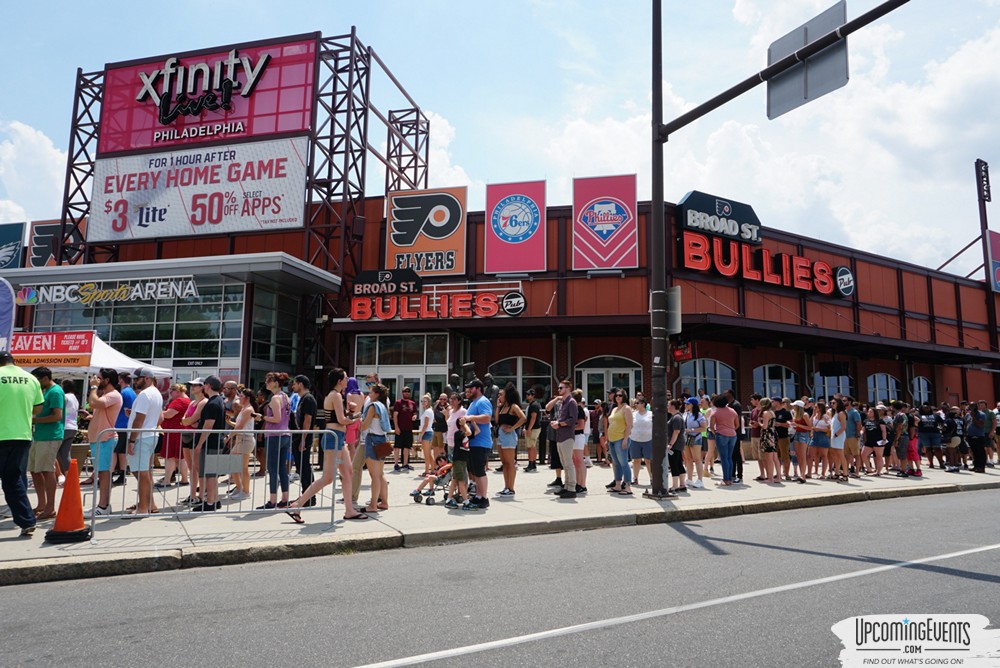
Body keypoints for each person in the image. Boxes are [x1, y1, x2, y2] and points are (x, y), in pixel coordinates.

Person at [287, 368, 368, 522]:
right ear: (339, 381)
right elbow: (342, 420)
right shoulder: (335, 395)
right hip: (333, 438)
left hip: (338, 437)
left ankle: (349, 509)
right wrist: (356, 416)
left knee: (348, 473)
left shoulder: (337, 396)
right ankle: (297, 505)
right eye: (345, 378)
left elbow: (341, 418)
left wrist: (351, 412)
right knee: (328, 477)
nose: (347, 380)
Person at [0, 350, 44, 536]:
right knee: (14, 479)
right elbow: (38, 408)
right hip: (22, 436)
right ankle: (26, 520)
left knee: (12, 479)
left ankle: (26, 520)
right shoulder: (30, 378)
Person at [124, 367, 164, 516]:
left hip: (142, 437)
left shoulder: (145, 395)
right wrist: (132, 415)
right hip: (149, 435)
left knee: (141, 474)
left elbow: (139, 420)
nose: (135, 382)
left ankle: (143, 508)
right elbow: (156, 418)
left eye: (137, 378)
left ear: (147, 378)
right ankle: (149, 504)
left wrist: (131, 440)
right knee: (144, 473)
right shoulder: (156, 393)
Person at [85, 368, 123, 517]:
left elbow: (94, 401)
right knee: (101, 472)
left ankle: (103, 506)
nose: (96, 380)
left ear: (107, 380)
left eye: (99, 378)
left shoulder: (114, 395)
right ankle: (103, 505)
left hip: (105, 439)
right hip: (99, 439)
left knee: (104, 473)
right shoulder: (107, 395)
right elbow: (92, 404)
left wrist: (93, 387)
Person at [29, 367, 65, 520]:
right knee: (35, 470)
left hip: (50, 436)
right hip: (40, 436)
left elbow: (57, 416)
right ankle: (42, 505)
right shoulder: (45, 391)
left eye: (37, 379)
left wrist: (34, 420)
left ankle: (50, 508)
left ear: (44, 378)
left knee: (46, 471)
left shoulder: (55, 391)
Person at [191, 376, 226, 512]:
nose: (203, 387)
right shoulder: (218, 401)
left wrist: (199, 444)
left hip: (211, 443)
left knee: (210, 475)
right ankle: (215, 500)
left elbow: (208, 426)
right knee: (211, 474)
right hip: (214, 442)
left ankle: (210, 503)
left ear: (209, 385)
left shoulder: (212, 403)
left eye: (204, 384)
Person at [258, 372, 292, 509]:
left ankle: (272, 500)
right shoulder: (286, 397)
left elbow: (276, 418)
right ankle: (284, 498)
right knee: (282, 469)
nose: (266, 383)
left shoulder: (275, 398)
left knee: (272, 468)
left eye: (269, 380)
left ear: (276, 383)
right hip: (285, 434)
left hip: (274, 434)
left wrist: (262, 417)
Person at [462, 379, 495, 508]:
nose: (469, 390)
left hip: (481, 443)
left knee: (480, 471)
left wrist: (470, 418)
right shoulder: (473, 403)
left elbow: (487, 417)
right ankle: (478, 496)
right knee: (475, 471)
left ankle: (483, 498)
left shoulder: (483, 401)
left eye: (471, 388)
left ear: (478, 388)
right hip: (473, 442)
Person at [361, 383, 392, 514]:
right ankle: (384, 502)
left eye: (371, 392)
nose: (369, 395)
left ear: (377, 394)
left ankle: (373, 504)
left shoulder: (373, 406)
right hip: (382, 440)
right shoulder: (383, 406)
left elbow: (364, 426)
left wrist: (354, 420)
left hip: (372, 440)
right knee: (380, 475)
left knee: (374, 476)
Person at [157, 384, 191, 489]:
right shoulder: (187, 400)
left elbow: (168, 414)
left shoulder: (180, 401)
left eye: (171, 391)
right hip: (179, 431)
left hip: (174, 432)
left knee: (170, 456)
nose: (170, 393)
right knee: (181, 457)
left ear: (177, 391)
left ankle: (167, 480)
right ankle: (184, 479)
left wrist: (156, 411)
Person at [225, 388, 257, 500]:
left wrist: (228, 437)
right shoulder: (244, 409)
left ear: (247, 398)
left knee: (243, 468)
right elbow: (239, 425)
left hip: (246, 439)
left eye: (241, 396)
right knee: (233, 464)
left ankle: (246, 491)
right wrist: (230, 422)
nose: (239, 398)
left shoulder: (248, 409)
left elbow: (240, 426)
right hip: (240, 439)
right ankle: (239, 488)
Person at [495, 384, 526, 496]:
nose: (499, 396)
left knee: (510, 462)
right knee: (504, 463)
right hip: (501, 435)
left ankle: (511, 488)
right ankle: (506, 486)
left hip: (509, 436)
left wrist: (512, 428)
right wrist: (498, 407)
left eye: (501, 394)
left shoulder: (514, 406)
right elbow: (497, 420)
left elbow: (523, 418)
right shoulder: (503, 407)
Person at [179, 379, 206, 504]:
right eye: (192, 385)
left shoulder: (203, 402)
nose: (193, 387)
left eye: (196, 385)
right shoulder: (192, 402)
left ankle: (201, 495)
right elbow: (184, 419)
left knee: (197, 467)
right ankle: (192, 494)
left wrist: (187, 421)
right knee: (191, 467)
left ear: (202, 387)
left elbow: (191, 419)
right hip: (187, 434)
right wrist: (187, 421)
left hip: (195, 436)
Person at [550, 379, 578, 499]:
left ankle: (572, 488)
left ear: (568, 388)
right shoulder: (563, 402)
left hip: (567, 437)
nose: (559, 390)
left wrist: (559, 424)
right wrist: (557, 423)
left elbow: (573, 420)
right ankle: (566, 486)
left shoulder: (571, 402)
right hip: (560, 436)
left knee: (568, 463)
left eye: (561, 388)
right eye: (559, 388)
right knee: (564, 463)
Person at [291, 374, 317, 500]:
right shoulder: (302, 398)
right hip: (299, 438)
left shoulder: (308, 399)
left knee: (304, 467)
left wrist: (303, 439)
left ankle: (309, 496)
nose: (293, 386)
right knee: (302, 467)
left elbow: (307, 420)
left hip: (304, 439)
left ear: (301, 384)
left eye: (294, 384)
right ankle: (307, 495)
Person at [444, 392, 470, 508]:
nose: (451, 401)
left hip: (457, 444)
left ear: (459, 401)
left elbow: (465, 427)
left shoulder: (463, 412)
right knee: (455, 471)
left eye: (454, 399)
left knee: (460, 471)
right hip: (449, 443)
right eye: (451, 399)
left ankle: (462, 493)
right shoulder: (451, 411)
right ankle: (458, 494)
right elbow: (449, 425)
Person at [606, 390, 634, 495]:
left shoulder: (626, 408)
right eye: (616, 395)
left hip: (621, 439)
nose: (618, 397)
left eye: (620, 395)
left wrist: (625, 439)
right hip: (612, 439)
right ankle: (617, 485)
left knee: (624, 463)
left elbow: (629, 425)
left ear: (624, 397)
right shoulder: (614, 409)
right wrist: (607, 439)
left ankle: (627, 487)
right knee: (616, 463)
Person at [111, 371, 136, 487]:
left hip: (121, 425)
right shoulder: (132, 392)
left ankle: (119, 474)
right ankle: (122, 473)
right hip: (125, 425)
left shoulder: (123, 393)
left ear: (121, 380)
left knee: (117, 451)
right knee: (121, 451)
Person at [709, 395, 739, 486]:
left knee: (724, 458)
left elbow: (711, 427)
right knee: (729, 458)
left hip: (721, 434)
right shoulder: (733, 411)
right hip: (733, 435)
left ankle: (726, 480)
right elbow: (737, 425)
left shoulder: (715, 412)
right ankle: (729, 478)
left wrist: (716, 433)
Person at [55, 379, 79, 485]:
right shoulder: (75, 398)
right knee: (65, 455)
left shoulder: (65, 397)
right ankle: (71, 478)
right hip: (72, 427)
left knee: (53, 453)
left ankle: (59, 475)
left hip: (63, 427)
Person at [683, 397, 707, 488]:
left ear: (692, 405)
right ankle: (689, 479)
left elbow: (704, 428)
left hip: (695, 438)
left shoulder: (699, 415)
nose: (686, 405)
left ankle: (700, 480)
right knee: (688, 459)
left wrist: (692, 430)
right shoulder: (686, 413)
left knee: (697, 459)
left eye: (687, 404)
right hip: (686, 438)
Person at [392, 386, 416, 472]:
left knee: (407, 447)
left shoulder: (412, 403)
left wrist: (414, 416)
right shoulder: (398, 403)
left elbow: (414, 413)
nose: (407, 393)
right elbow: (395, 415)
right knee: (397, 446)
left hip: (409, 428)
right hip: (400, 428)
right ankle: (396, 464)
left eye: (408, 391)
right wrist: (396, 427)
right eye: (405, 391)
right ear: (402, 393)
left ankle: (405, 464)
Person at [664, 399, 685, 496]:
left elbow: (676, 432)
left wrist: (670, 444)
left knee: (674, 464)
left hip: (675, 445)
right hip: (678, 444)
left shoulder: (676, 418)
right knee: (679, 463)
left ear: (673, 406)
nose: (667, 406)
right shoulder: (677, 416)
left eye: (668, 405)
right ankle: (682, 484)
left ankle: (675, 486)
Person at [861, 406, 886, 476]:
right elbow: (863, 429)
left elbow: (883, 431)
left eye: (871, 412)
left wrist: (884, 439)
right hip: (869, 441)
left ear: (875, 413)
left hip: (878, 441)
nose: (869, 413)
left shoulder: (880, 421)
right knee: (863, 455)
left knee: (879, 456)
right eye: (868, 411)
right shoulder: (866, 421)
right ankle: (869, 469)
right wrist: (860, 433)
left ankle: (878, 471)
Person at [772, 397, 793, 481]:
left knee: (785, 456)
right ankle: (778, 473)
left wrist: (780, 424)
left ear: (778, 402)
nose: (772, 403)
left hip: (783, 437)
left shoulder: (786, 413)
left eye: (773, 401)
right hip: (774, 437)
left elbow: (790, 424)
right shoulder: (773, 413)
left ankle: (787, 474)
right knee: (777, 456)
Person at [523, 388, 542, 472]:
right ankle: (531, 464)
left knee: (531, 447)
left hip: (533, 428)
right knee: (531, 446)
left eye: (529, 394)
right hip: (532, 428)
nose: (527, 396)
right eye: (527, 394)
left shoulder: (534, 405)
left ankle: (532, 464)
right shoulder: (531, 405)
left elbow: (533, 418)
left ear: (533, 395)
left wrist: (529, 429)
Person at [418, 394, 435, 475]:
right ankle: (433, 469)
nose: (423, 403)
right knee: (429, 453)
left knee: (426, 454)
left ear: (428, 402)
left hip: (426, 432)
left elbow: (425, 425)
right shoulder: (429, 411)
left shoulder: (428, 411)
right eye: (422, 401)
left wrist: (420, 436)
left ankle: (427, 471)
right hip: (429, 432)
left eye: (425, 401)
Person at [431, 393, 449, 462]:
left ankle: (445, 464)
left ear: (447, 399)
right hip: (436, 429)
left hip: (443, 430)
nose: (442, 401)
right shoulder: (437, 404)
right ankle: (436, 465)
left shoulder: (448, 407)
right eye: (441, 399)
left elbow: (448, 421)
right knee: (435, 448)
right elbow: (434, 411)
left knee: (442, 449)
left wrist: (446, 414)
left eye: (444, 399)